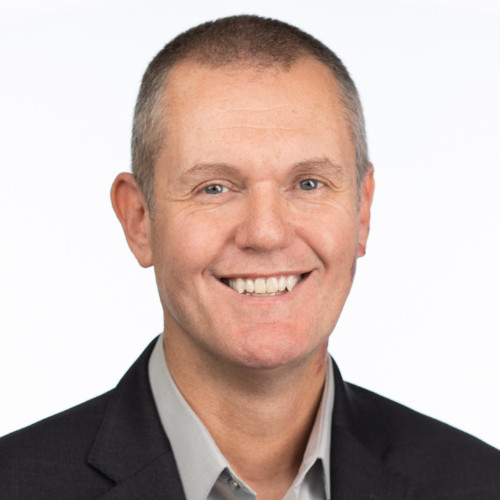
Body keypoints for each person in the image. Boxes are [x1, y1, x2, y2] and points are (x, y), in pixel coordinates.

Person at [0, 14, 499, 500]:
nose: (266, 233)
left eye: (309, 183)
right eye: (214, 187)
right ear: (139, 219)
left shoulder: (480, 484)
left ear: (361, 210)